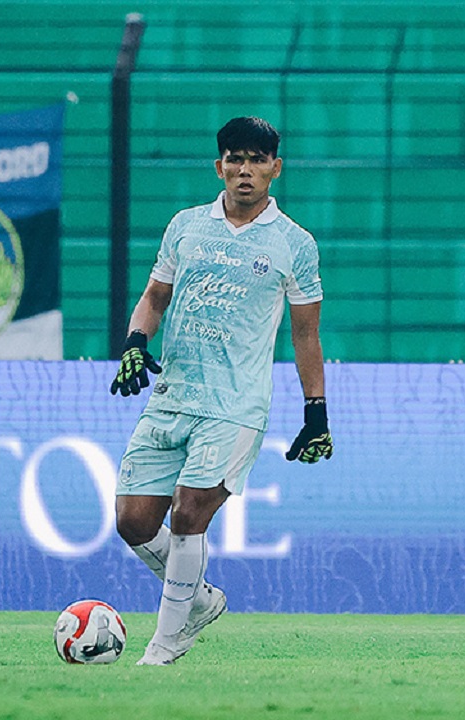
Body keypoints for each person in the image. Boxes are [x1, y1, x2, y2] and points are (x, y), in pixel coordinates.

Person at [110, 116, 333, 666]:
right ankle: (199, 599)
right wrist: (136, 341)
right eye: (235, 158)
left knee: (189, 515)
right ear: (220, 167)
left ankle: (164, 645)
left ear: (275, 169)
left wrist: (316, 410)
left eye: (257, 160)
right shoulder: (186, 226)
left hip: (235, 405)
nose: (245, 170)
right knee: (133, 522)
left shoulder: (294, 245)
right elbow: (154, 297)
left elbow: (306, 334)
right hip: (172, 395)